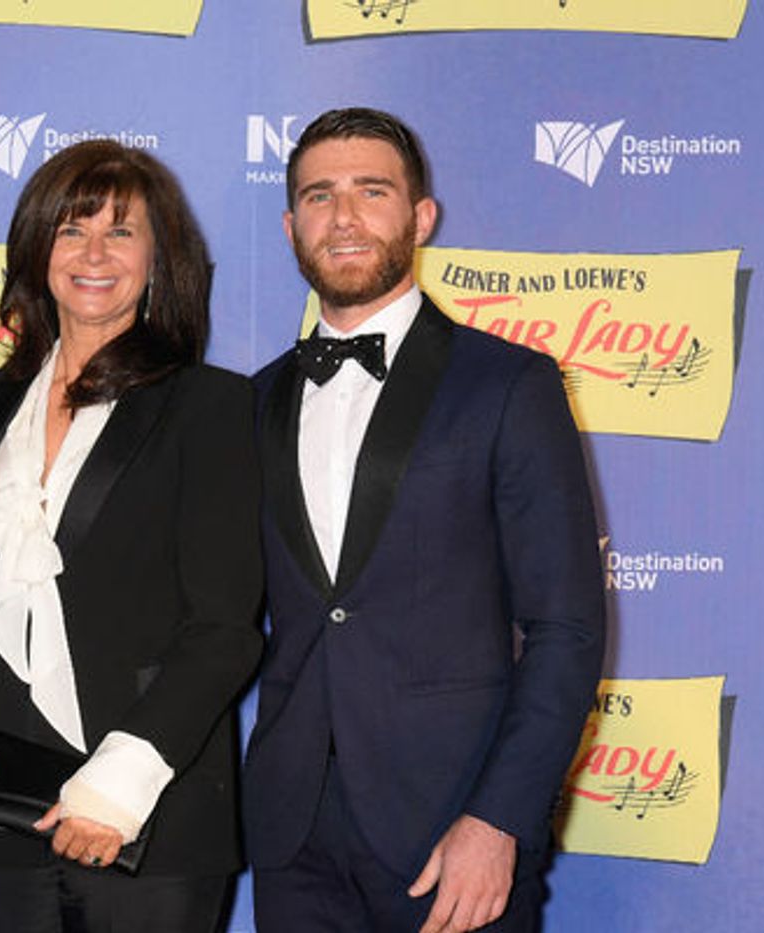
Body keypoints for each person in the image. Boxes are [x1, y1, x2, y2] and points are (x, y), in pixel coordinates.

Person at [242, 108, 605, 932]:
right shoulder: (253, 401)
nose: (343, 217)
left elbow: (566, 627)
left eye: (372, 192)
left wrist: (501, 818)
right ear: (291, 222)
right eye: (318, 195)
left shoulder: (508, 385)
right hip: (293, 834)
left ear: (421, 216)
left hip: (455, 826)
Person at [0, 139, 263, 932]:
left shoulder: (210, 407)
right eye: (71, 229)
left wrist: (116, 787)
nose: (93, 253)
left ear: (159, 257)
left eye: (121, 231)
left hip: (149, 821)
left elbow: (222, 631)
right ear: (37, 251)